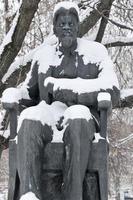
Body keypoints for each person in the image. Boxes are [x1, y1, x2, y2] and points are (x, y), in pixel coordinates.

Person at [2, 2, 120, 200]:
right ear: (55, 29)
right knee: (30, 118)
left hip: (83, 120)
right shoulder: (43, 56)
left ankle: (72, 195)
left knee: (77, 118)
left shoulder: (95, 53)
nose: (66, 27)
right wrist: (13, 95)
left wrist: (72, 93)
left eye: (71, 23)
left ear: (78, 26)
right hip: (49, 115)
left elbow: (113, 90)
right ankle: (30, 194)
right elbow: (30, 94)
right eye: (62, 23)